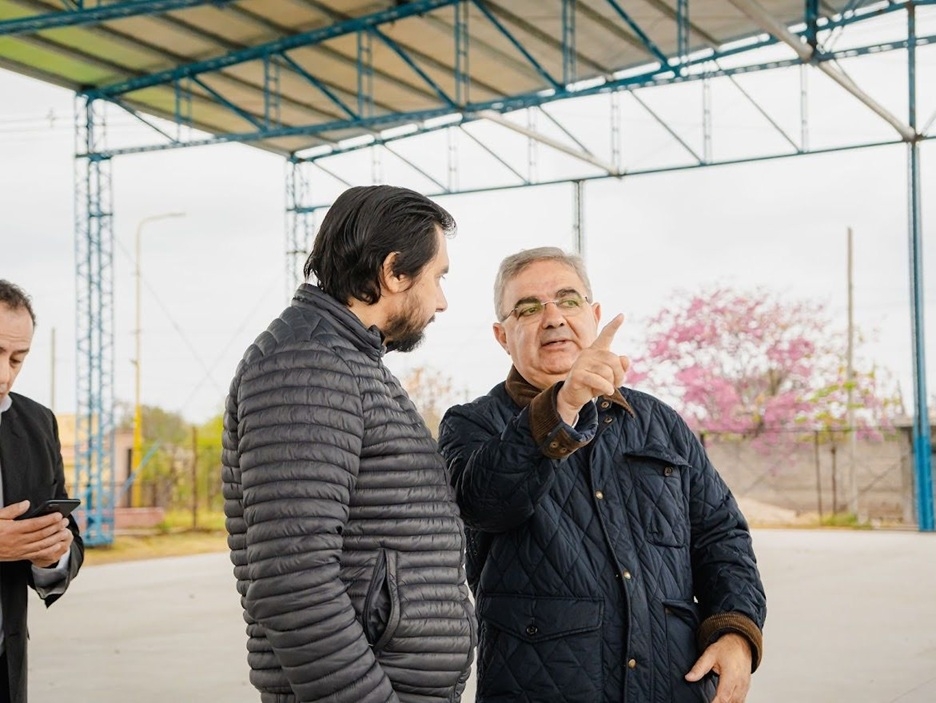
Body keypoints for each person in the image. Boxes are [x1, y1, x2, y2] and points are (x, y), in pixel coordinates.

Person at [438, 247, 767, 703]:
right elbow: (484, 504)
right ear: (502, 336)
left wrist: (736, 630)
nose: (553, 318)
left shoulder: (658, 421)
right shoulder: (471, 424)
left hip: (674, 687)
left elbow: (720, 534)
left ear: (593, 316)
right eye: (528, 308)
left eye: (568, 300)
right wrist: (561, 407)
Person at [221, 185, 476, 703]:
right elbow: (293, 582)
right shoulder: (308, 364)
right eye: (438, 277)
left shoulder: (348, 361)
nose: (442, 301)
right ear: (393, 272)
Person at [0, 280, 84, 703]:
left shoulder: (38, 424)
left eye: (17, 359)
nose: (5, 375)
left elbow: (70, 540)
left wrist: (50, 554)